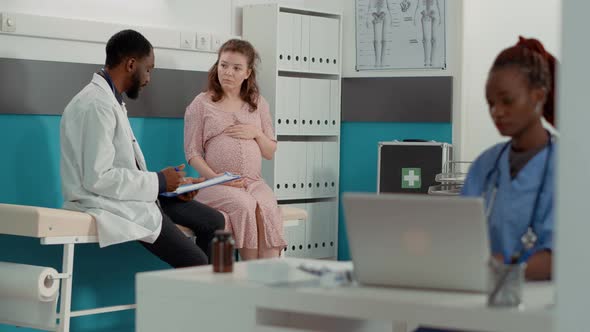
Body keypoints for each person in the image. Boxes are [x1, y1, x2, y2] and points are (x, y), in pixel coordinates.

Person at [415, 36, 557, 332]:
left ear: (538, 96)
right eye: (491, 104)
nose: (497, 112)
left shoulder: (567, 169)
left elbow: (559, 258)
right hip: (476, 302)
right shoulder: (485, 165)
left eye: (507, 101)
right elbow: (462, 236)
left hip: (532, 307)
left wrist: (501, 271)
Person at [60, 29, 225, 268]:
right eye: (148, 69)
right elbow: (98, 178)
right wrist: (158, 181)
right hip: (103, 202)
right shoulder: (96, 105)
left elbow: (121, 167)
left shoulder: (110, 100)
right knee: (196, 261)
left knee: (213, 221)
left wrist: (170, 186)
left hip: (125, 195)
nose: (149, 78)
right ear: (130, 64)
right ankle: (205, 300)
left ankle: (217, 299)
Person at [184, 39, 285, 260]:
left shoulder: (258, 103)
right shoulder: (201, 104)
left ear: (248, 73)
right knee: (245, 204)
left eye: (236, 68)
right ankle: (250, 273)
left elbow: (269, 151)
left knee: (266, 206)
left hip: (254, 182)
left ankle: (269, 277)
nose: (228, 72)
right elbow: (192, 153)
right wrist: (216, 178)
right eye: (223, 65)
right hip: (214, 184)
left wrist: (256, 133)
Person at [413, 0, 442, 67]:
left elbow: (437, 4)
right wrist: (415, 17)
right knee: (425, 40)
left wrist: (440, 17)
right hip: (425, 14)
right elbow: (418, 5)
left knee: (433, 39)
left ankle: (431, 61)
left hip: (432, 14)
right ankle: (426, 61)